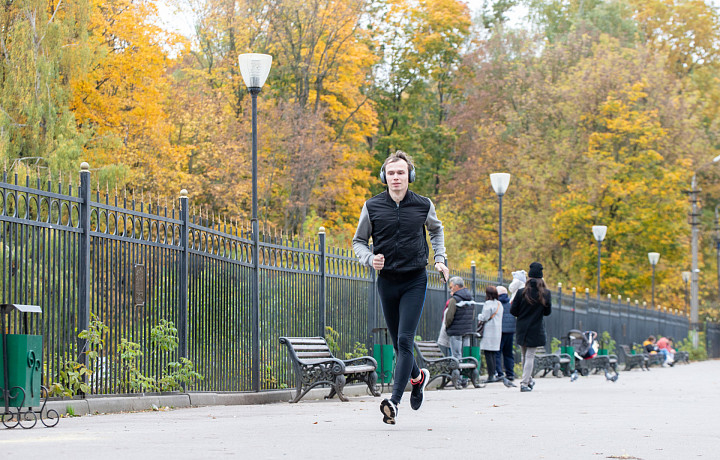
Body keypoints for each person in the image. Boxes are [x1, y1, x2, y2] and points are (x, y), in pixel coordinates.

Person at [353, 150, 449, 425]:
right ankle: (418, 378)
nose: (396, 177)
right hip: (387, 281)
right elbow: (358, 241)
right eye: (392, 173)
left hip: (415, 279)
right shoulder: (372, 206)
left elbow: (436, 230)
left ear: (410, 176)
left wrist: (440, 259)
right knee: (398, 344)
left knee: (405, 340)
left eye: (401, 173)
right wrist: (370, 258)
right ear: (385, 177)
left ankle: (393, 401)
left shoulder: (422, 205)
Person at [510, 262, 552, 392]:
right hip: (536, 327)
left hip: (522, 327)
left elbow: (513, 311)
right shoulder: (545, 293)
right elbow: (547, 312)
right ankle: (524, 382)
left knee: (524, 355)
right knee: (530, 356)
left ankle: (528, 380)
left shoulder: (521, 292)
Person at [445, 276, 475, 359]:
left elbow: (449, 317)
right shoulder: (471, 299)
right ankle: (466, 371)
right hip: (467, 330)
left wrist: (447, 326)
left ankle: (457, 371)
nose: (450, 289)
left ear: (456, 286)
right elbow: (472, 316)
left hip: (455, 331)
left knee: (456, 355)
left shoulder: (454, 299)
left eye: (451, 287)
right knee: (466, 355)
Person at [478, 285, 503, 383]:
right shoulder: (499, 304)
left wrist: (479, 316)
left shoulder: (488, 304)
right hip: (497, 331)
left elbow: (484, 317)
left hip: (489, 331)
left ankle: (490, 376)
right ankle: (493, 374)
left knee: (488, 354)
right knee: (493, 354)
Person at [494, 285, 516, 382]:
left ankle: (499, 373)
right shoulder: (510, 304)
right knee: (508, 353)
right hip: (510, 331)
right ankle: (510, 373)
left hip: (500, 331)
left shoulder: (497, 304)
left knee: (497, 353)